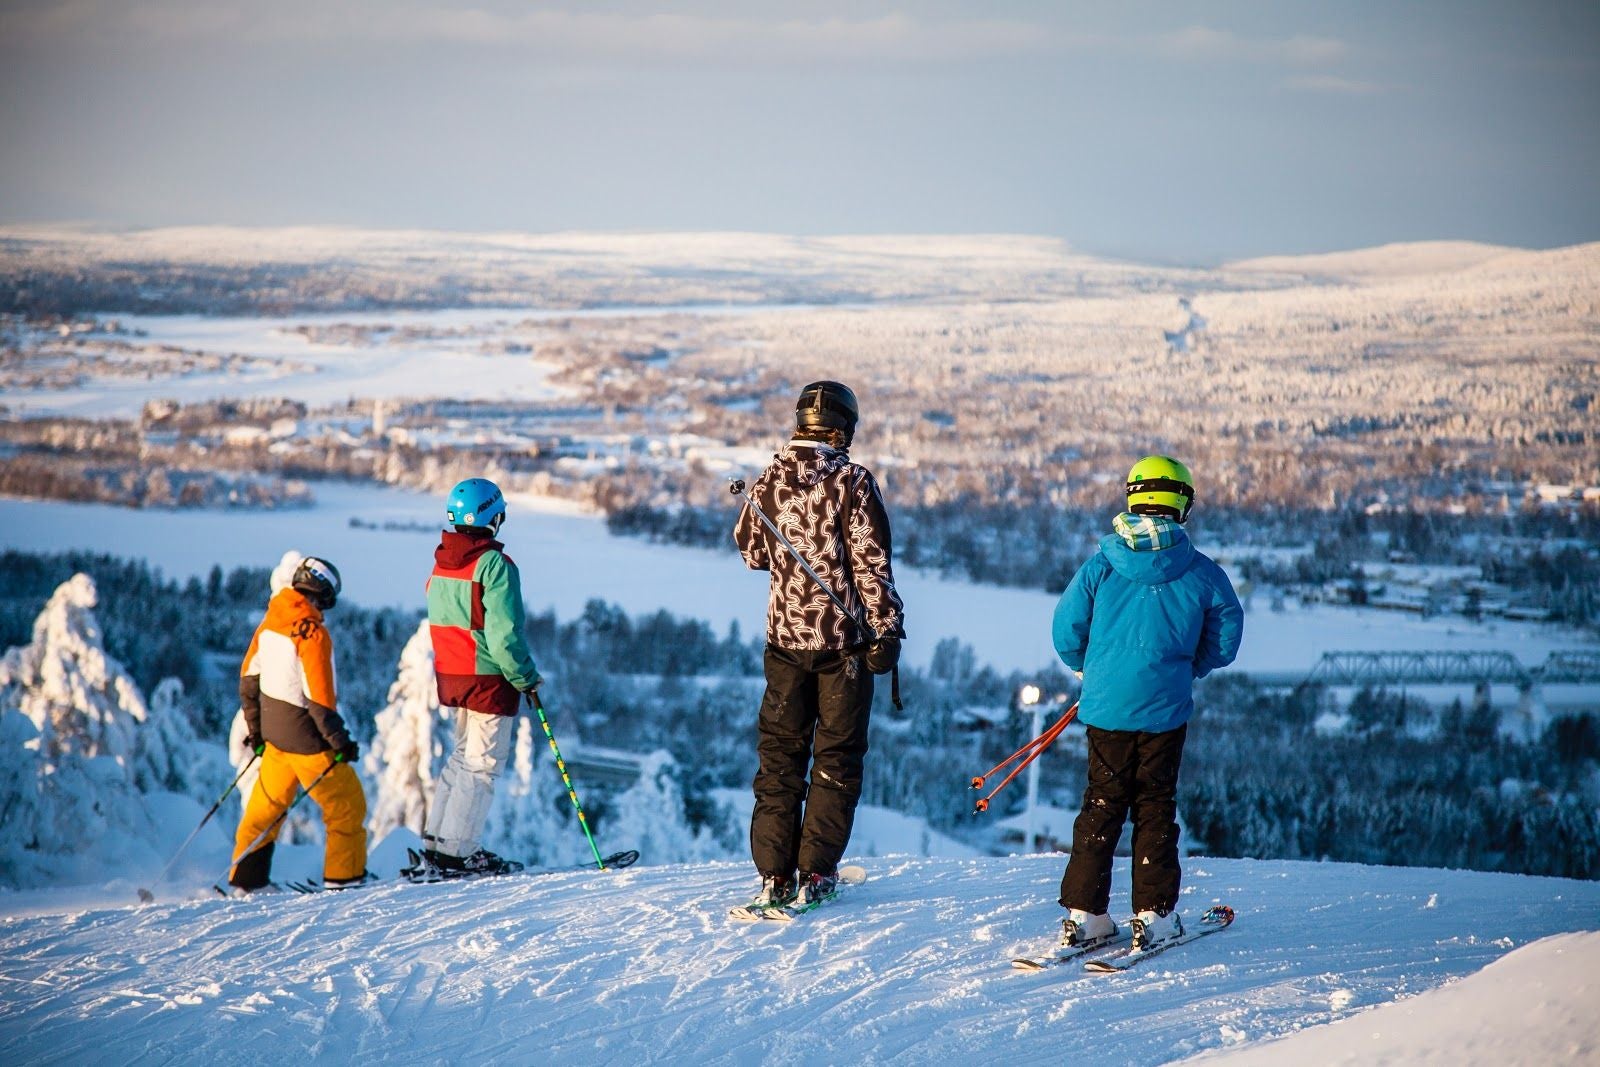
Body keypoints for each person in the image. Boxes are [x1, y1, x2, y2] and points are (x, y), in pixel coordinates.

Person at [1052, 455, 1243, 951]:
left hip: (1105, 709)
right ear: (1182, 503)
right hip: (1165, 709)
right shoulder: (1202, 573)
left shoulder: (1100, 565)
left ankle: (1085, 914)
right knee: (1155, 807)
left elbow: (1065, 631)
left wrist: (1090, 671)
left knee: (1101, 804)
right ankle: (1153, 915)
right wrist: (1186, 668)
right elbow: (1224, 642)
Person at [733, 380, 905, 912]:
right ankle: (816, 873)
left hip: (784, 642)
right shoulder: (852, 481)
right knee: (836, 757)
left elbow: (752, 553)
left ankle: (773, 876)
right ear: (844, 428)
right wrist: (888, 629)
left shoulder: (769, 481)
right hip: (844, 648)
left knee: (780, 758)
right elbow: (871, 567)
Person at [419, 476, 543, 876]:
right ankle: (458, 852)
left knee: (462, 758)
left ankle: (438, 843)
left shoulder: (443, 561)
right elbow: (505, 635)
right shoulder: (495, 566)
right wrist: (525, 677)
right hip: (489, 678)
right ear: (494, 515)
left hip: (453, 674)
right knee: (482, 764)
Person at [229, 555, 368, 891]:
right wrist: (341, 742)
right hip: (308, 744)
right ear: (323, 595)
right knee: (347, 807)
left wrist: (257, 732)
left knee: (265, 810)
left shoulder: (270, 623)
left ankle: (246, 879)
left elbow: (248, 681)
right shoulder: (312, 635)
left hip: (276, 742)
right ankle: (344, 879)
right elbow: (320, 700)